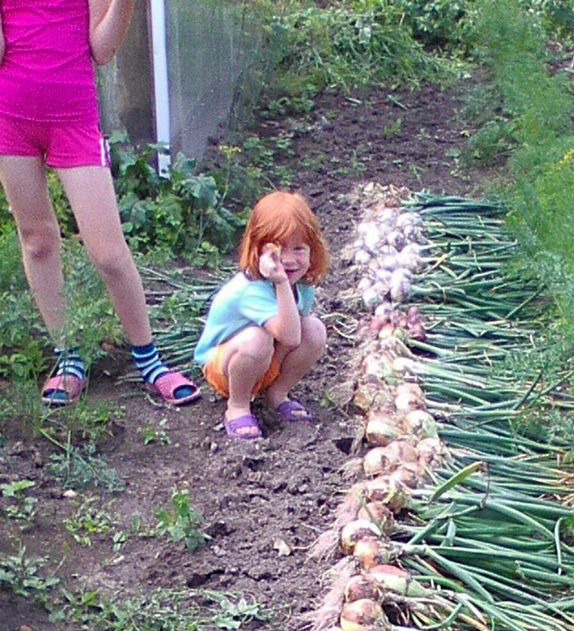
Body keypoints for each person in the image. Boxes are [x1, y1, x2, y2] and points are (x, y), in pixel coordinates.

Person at [0, 0, 199, 405]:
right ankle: (68, 355)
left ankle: (150, 360)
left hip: (74, 119)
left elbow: (103, 50)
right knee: (37, 240)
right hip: (10, 117)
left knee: (108, 253)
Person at [194, 190, 329, 440]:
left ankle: (276, 395)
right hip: (226, 369)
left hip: (266, 361)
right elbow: (289, 338)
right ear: (257, 251)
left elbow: (296, 335)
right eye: (277, 251)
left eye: (299, 249)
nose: (288, 261)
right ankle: (237, 406)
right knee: (257, 338)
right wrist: (279, 282)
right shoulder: (250, 289)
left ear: (313, 249)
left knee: (314, 329)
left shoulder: (303, 286)